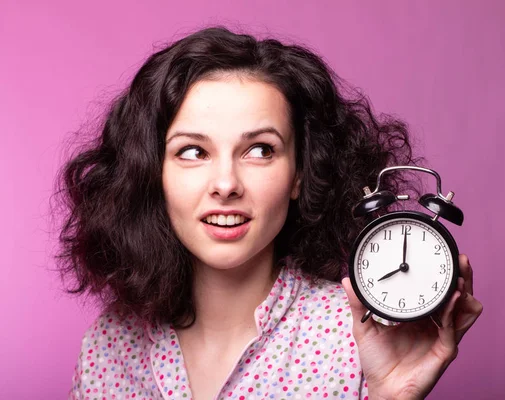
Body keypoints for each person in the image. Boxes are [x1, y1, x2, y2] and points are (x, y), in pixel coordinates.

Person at [56, 26, 482, 400]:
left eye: (260, 150)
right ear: (154, 173)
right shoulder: (109, 345)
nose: (225, 184)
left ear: (300, 173)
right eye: (193, 151)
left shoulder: (358, 337)